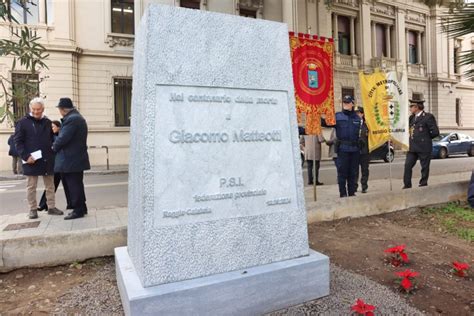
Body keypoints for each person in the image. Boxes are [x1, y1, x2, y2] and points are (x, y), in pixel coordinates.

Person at [14, 97, 64, 219]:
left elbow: (52, 138)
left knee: (50, 185)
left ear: (43, 109)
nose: (36, 112)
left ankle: (51, 207)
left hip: (47, 158)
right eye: (34, 109)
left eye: (39, 109)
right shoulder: (22, 122)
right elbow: (18, 142)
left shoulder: (47, 122)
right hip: (31, 159)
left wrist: (57, 132)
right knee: (31, 186)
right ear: (31, 108)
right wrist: (26, 156)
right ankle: (32, 209)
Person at [53, 97, 90, 220]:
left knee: (74, 185)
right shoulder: (76, 117)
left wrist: (53, 147)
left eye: (59, 109)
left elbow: (63, 138)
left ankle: (78, 210)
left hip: (71, 159)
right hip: (75, 158)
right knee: (77, 184)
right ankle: (82, 207)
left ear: (63, 109)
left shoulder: (72, 119)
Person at [403, 99, 439, 188]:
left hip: (424, 147)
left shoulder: (428, 117)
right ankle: (407, 185)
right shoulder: (411, 118)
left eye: (411, 106)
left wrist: (425, 139)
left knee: (424, 167)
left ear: (417, 107)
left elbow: (435, 132)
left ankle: (423, 183)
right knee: (407, 165)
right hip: (412, 147)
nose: (410, 108)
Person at [38, 120, 72, 212]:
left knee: (67, 185)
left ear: (59, 127)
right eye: (51, 127)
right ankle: (43, 204)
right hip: (55, 165)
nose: (51, 129)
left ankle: (71, 204)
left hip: (63, 164)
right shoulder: (51, 136)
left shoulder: (62, 136)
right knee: (51, 186)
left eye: (53, 127)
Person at [332, 95, 361, 197]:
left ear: (352, 104)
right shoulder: (337, 116)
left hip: (355, 150)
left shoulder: (357, 118)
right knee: (342, 173)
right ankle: (343, 194)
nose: (345, 104)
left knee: (353, 173)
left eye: (348, 102)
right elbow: (326, 123)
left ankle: (352, 193)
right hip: (343, 149)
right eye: (344, 102)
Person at [355, 107, 369, 193]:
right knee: (354, 170)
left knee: (365, 170)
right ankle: (354, 186)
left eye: (358, 113)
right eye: (355, 113)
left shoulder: (367, 124)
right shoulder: (353, 123)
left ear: (362, 114)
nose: (356, 114)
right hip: (355, 150)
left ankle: (364, 186)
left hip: (364, 151)